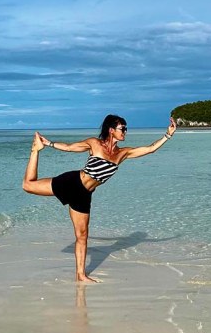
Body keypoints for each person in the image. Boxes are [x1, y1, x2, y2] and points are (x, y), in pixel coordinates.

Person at [22, 114, 177, 283]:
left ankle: (81, 275)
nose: (125, 131)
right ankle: (35, 150)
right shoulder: (94, 143)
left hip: (84, 195)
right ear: (111, 130)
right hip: (72, 183)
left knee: (82, 235)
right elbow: (69, 147)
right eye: (122, 128)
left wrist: (168, 135)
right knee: (28, 186)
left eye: (126, 128)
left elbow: (150, 149)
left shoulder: (123, 153)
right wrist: (48, 143)